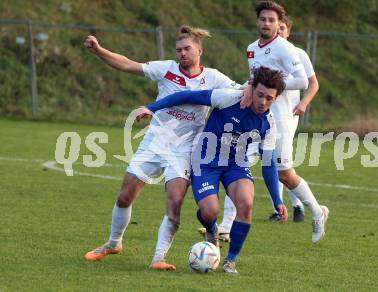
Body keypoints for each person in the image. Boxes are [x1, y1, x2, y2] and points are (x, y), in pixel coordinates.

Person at [83, 25, 242, 271]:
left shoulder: (214, 77)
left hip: (185, 151)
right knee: (125, 196)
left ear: (199, 50)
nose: (182, 53)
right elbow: (127, 64)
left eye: (187, 48)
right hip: (155, 142)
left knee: (175, 201)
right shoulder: (165, 69)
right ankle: (114, 243)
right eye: (178, 49)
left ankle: (158, 258)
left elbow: (241, 91)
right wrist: (98, 51)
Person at [137, 66, 289, 275]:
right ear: (252, 89)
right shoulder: (229, 98)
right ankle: (212, 230)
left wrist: (277, 200)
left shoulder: (268, 123)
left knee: (246, 202)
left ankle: (230, 261)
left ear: (276, 98)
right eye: (260, 95)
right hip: (205, 161)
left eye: (270, 98)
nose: (263, 102)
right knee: (210, 212)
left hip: (235, 165)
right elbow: (188, 95)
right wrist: (151, 107)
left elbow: (268, 163)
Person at [243, 0, 328, 243]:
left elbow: (303, 81)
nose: (266, 23)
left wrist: (271, 86)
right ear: (257, 21)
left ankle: (316, 210)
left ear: (280, 24)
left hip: (281, 118)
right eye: (263, 19)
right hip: (257, 115)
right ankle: (226, 226)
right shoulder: (251, 49)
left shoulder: (287, 49)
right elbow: (253, 80)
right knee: (238, 164)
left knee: (284, 173)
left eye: (271, 20)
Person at [264, 14, 320, 222]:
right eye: (275, 28)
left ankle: (297, 206)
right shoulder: (264, 51)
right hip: (267, 113)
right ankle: (280, 208)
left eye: (282, 28)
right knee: (273, 162)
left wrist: (304, 103)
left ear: (288, 31)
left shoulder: (297, 53)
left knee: (282, 165)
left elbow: (312, 83)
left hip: (288, 114)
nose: (278, 31)